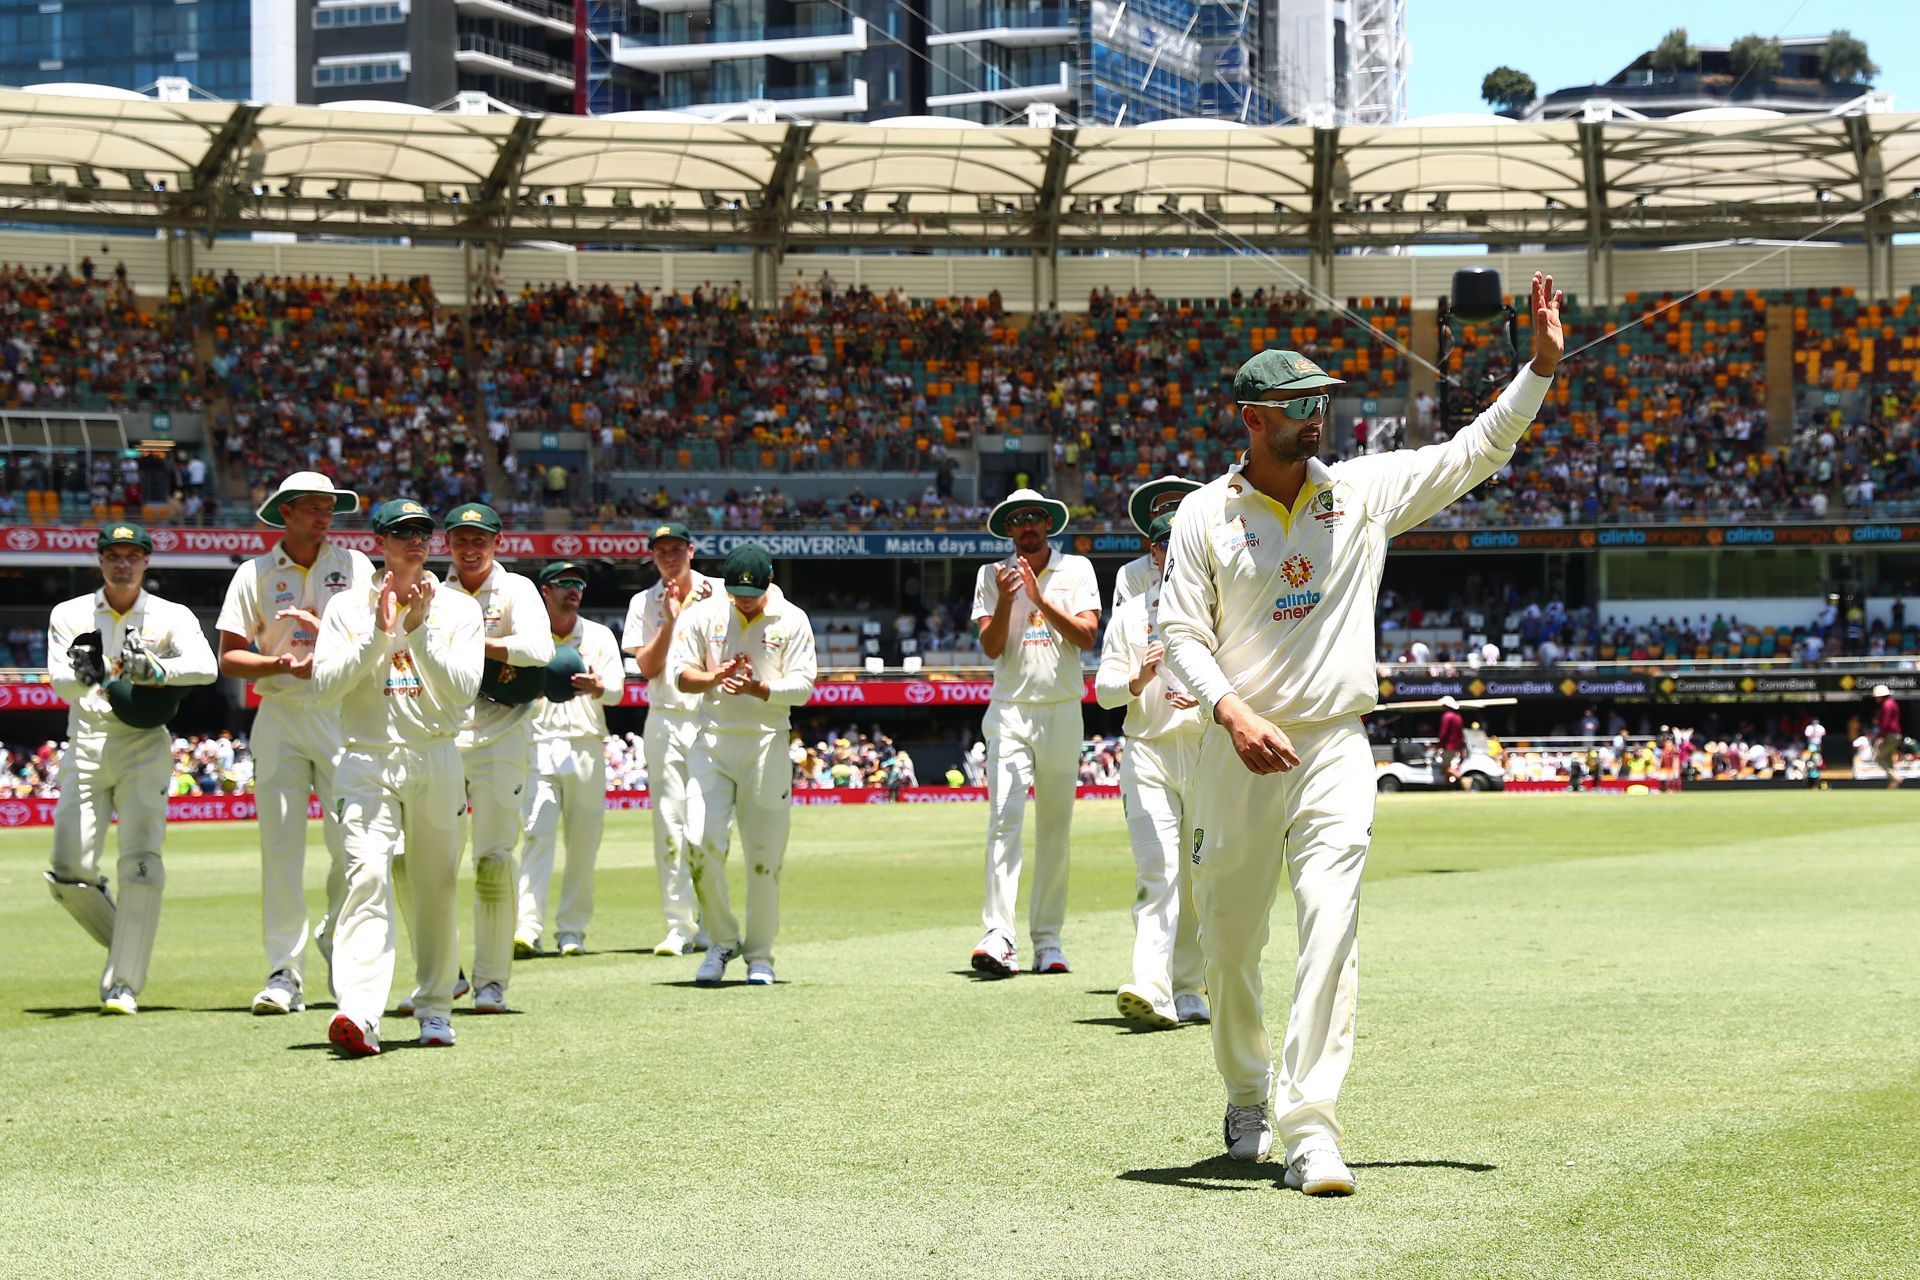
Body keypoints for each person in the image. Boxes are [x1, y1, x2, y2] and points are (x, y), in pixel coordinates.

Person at [1160, 272, 1565, 1196]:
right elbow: (1179, 633)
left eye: (1322, 403)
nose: (1318, 419)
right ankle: (1246, 1090)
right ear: (1252, 420)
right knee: (1227, 945)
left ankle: (1311, 1129)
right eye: (1298, 407)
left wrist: (1537, 371)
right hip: (1234, 752)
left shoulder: (1364, 494)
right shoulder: (1202, 516)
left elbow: (1475, 451)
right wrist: (1232, 711)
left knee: (1332, 927)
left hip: (1336, 747)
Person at [311, 500, 484, 1055]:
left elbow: (463, 689)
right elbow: (324, 687)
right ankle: (359, 1014)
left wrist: (419, 631)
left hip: (435, 755)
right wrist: (380, 636)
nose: (416, 540)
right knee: (366, 877)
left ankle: (435, 1007)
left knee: (435, 887)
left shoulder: (457, 608)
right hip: (366, 758)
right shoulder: (345, 607)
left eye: (423, 532)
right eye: (403, 532)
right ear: (380, 541)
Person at [215, 471, 374, 1016]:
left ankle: (337, 941)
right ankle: (284, 972)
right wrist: (277, 663)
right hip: (280, 712)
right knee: (281, 849)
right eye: (312, 506)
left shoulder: (356, 566)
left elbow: (376, 637)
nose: (324, 515)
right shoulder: (253, 573)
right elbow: (230, 656)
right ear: (285, 512)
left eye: (330, 507)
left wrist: (327, 659)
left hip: (340, 713)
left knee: (350, 845)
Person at [44, 523, 217, 1014]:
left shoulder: (171, 615)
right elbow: (60, 682)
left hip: (144, 743)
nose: (123, 563)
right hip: (88, 741)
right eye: (113, 555)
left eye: (132, 555)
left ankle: (123, 984)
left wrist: (158, 671)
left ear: (146, 562)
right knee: (68, 869)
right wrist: (85, 673)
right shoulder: (71, 613)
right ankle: (130, 937)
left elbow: (206, 668)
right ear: (100, 561)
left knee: (140, 859)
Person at [968, 486, 1100, 978]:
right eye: (1018, 519)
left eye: (1035, 518)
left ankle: (1048, 940)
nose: (1027, 525)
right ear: (1008, 528)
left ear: (1048, 524)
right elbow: (991, 647)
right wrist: (1006, 600)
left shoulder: (1077, 570)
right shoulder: (990, 575)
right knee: (1005, 819)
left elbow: (1087, 636)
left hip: (1063, 709)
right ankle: (999, 935)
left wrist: (1040, 596)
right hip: (1010, 710)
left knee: (1054, 829)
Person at [670, 543, 817, 986]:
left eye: (752, 593)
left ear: (770, 581)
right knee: (698, 841)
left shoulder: (792, 619)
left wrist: (759, 689)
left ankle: (760, 955)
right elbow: (679, 674)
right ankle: (720, 940)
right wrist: (715, 677)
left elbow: (805, 686)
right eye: (736, 593)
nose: (744, 600)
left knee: (763, 858)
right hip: (711, 740)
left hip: (767, 743)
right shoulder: (704, 613)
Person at [1093, 512, 1207, 1029]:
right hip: (1148, 752)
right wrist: (1137, 681)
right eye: (1166, 544)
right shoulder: (1130, 614)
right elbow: (1103, 692)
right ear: (1154, 552)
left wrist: (1206, 703)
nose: (1174, 551)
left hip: (1207, 750)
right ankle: (1152, 987)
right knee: (1157, 869)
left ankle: (1190, 987)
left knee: (1201, 875)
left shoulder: (1218, 606)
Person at [441, 503, 554, 1012]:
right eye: (461, 539)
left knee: (492, 859)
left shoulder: (517, 590)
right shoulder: (434, 592)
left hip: (501, 738)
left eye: (479, 539)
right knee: (426, 863)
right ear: (448, 543)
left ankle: (491, 983)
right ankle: (443, 975)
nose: (470, 548)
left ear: (497, 542)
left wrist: (474, 643)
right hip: (440, 738)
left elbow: (539, 650)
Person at [515, 561, 625, 956]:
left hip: (585, 745)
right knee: (535, 835)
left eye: (578, 583)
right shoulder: (528, 636)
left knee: (583, 844)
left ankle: (571, 931)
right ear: (545, 591)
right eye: (563, 583)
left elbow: (617, 693)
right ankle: (527, 927)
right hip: (537, 743)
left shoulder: (598, 635)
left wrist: (598, 686)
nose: (573, 589)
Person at [623, 521, 721, 955]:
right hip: (663, 717)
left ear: (691, 551)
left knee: (707, 827)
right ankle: (679, 926)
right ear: (653, 556)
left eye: (676, 549)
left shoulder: (720, 591)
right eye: (661, 551)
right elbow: (646, 667)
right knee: (668, 825)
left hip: (709, 717)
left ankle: (714, 920)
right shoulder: (643, 602)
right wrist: (670, 618)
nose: (669, 557)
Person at [1111, 476, 1203, 613]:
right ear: (1153, 517)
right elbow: (1124, 626)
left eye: (1181, 506)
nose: (1175, 514)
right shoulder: (1131, 573)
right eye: (1167, 508)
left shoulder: (1211, 562)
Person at [1872, 684, 1903, 788]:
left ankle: (1895, 777)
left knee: (1878, 757)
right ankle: (1893, 784)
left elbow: (1885, 722)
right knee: (1888, 759)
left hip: (1890, 735)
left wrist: (1882, 737)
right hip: (1896, 735)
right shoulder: (1893, 703)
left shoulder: (1887, 705)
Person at [1436, 695, 1467, 784]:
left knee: (1445, 767)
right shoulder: (1458, 717)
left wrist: (1439, 746)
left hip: (1449, 746)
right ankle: (1448, 785)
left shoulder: (1447, 716)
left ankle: (1464, 779)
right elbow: (1460, 733)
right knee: (1448, 766)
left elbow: (1443, 733)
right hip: (1457, 746)